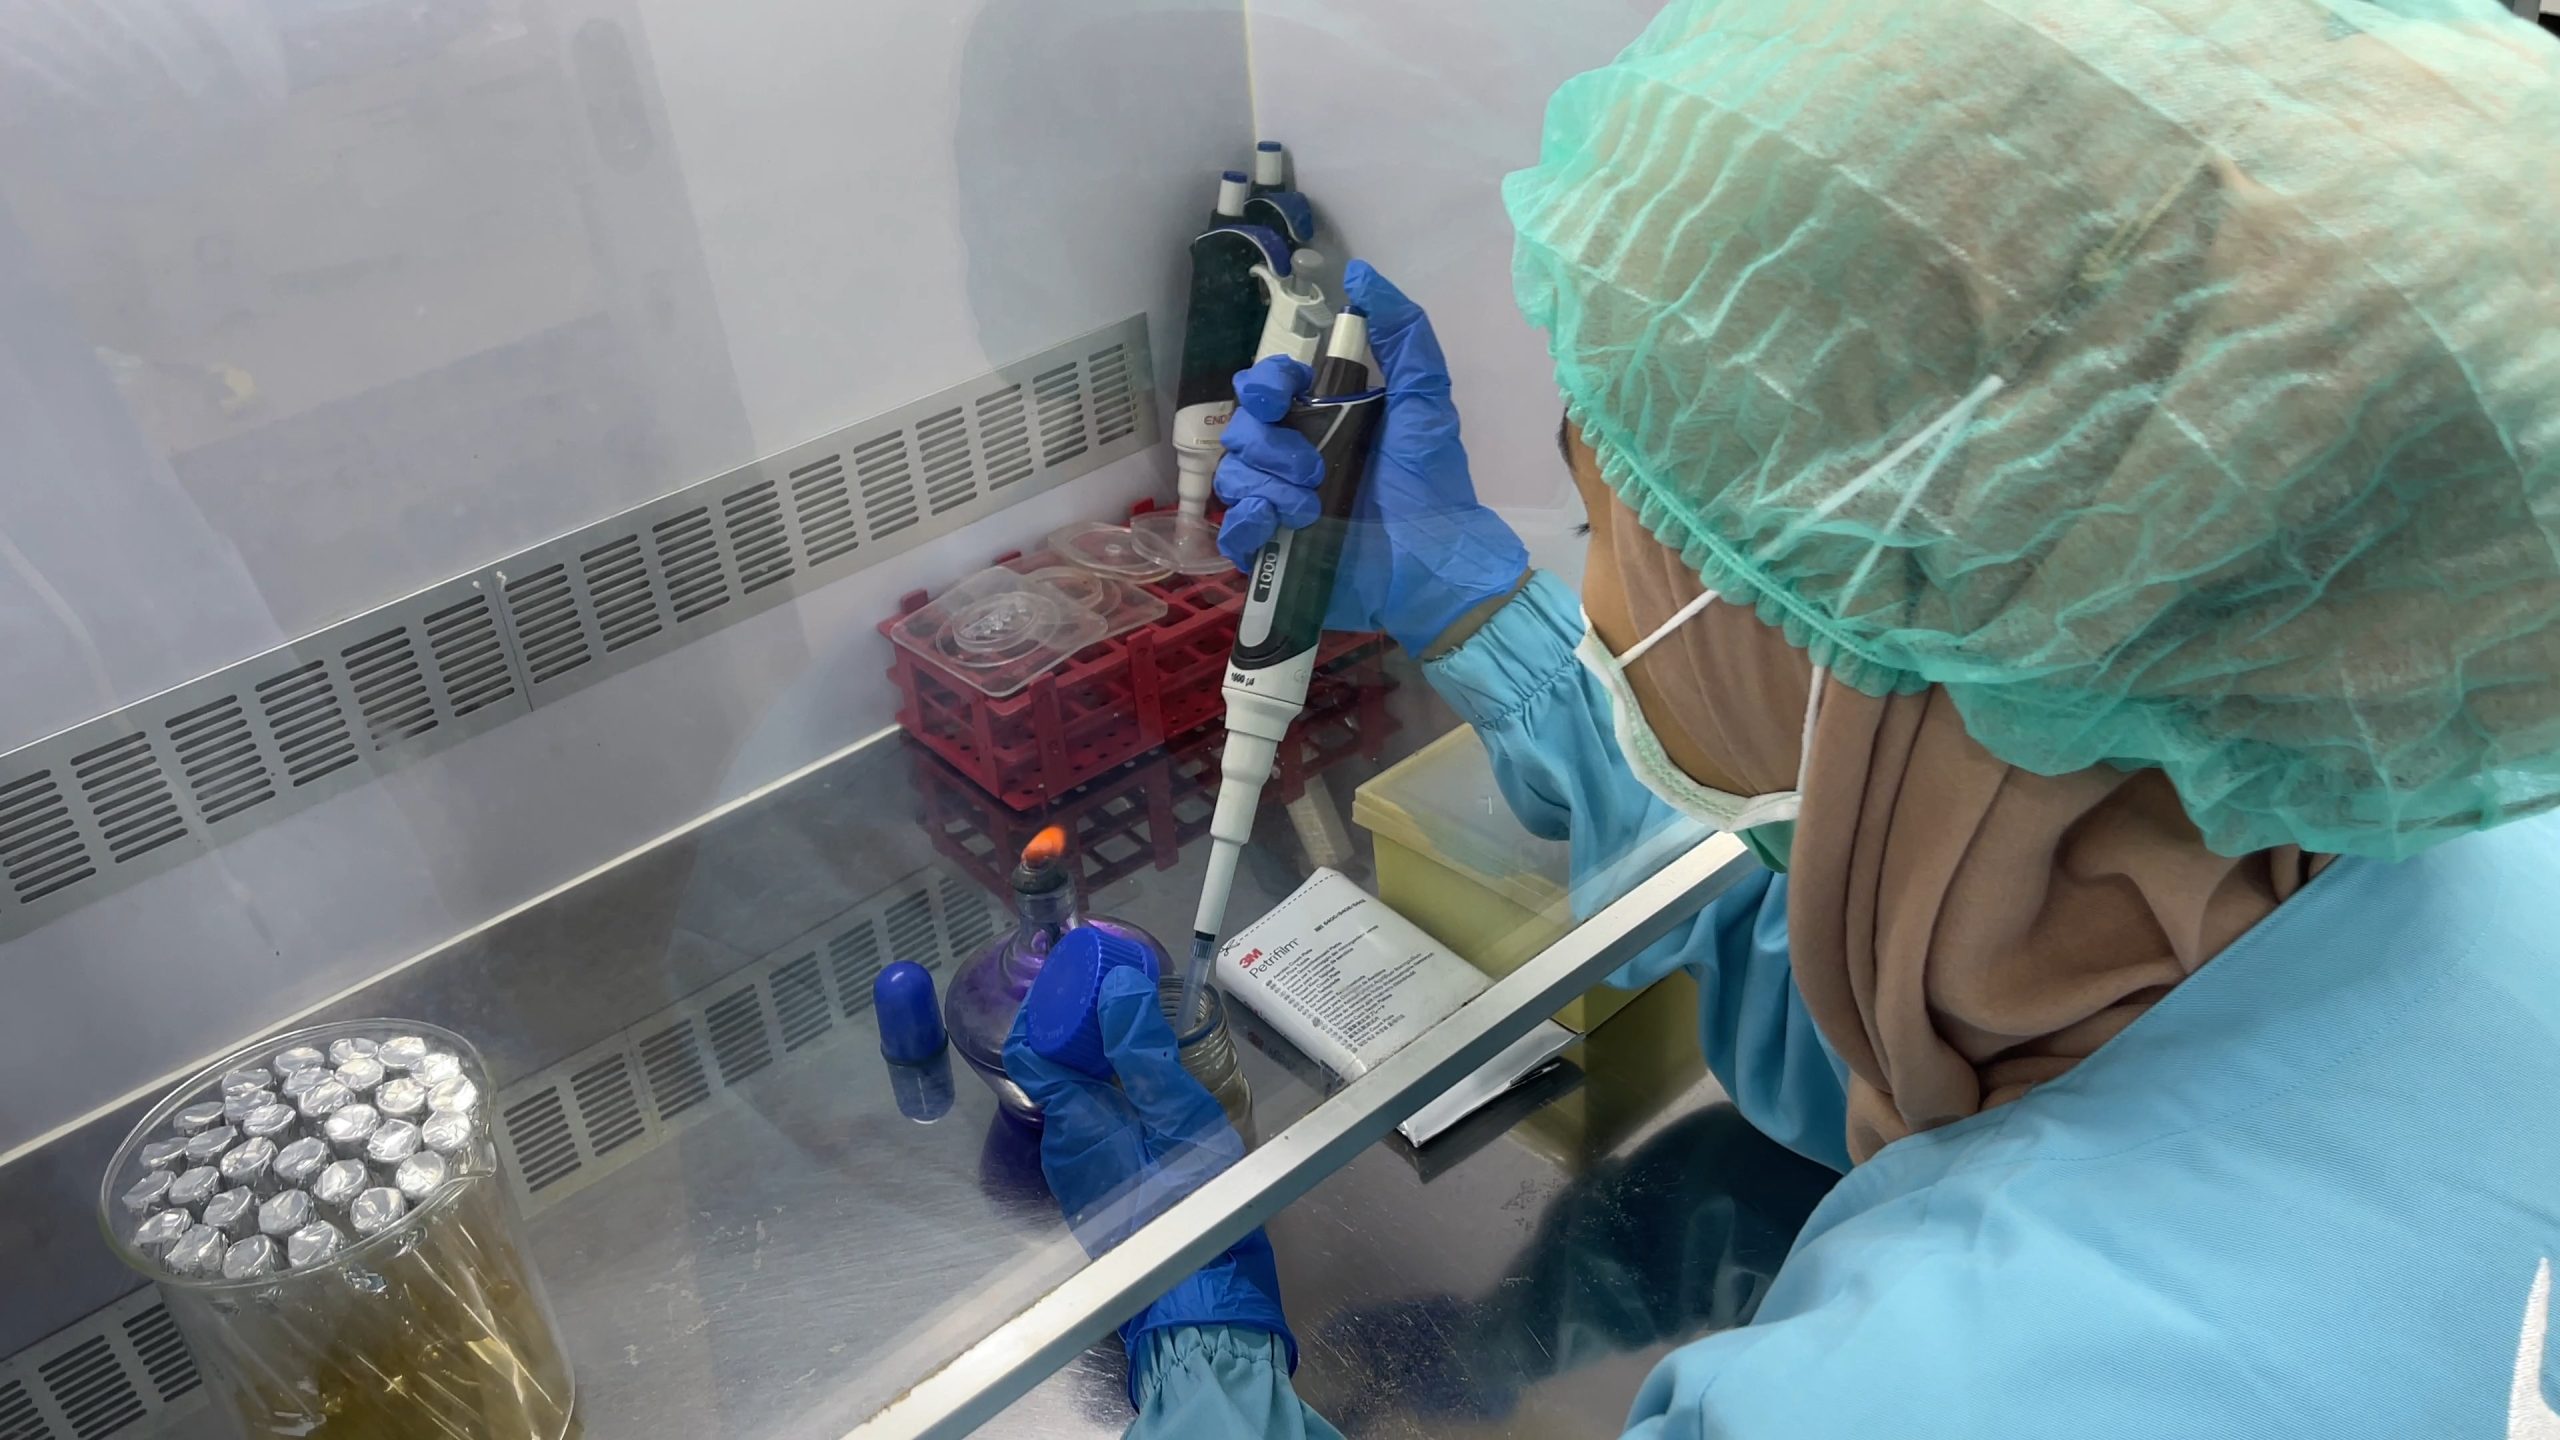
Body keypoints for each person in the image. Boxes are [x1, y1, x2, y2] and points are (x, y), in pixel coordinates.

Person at [1006, 0, 2560, 1433]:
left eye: (1609, 520)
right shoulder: (2388, 820)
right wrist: (1473, 606)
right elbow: (1898, 991)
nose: (1595, 590)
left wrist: (1198, 1329)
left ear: (1856, 636)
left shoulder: (1927, 1395)